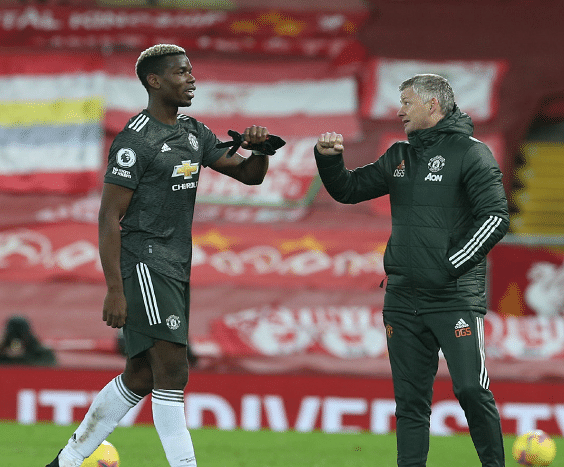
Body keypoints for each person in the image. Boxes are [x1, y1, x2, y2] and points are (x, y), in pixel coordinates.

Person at [46, 44, 281, 467]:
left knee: (140, 376)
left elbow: (248, 175)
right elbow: (108, 217)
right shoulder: (135, 140)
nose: (191, 78)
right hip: (145, 262)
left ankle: (65, 462)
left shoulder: (193, 132)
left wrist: (260, 149)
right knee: (173, 371)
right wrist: (114, 290)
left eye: (191, 70)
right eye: (181, 72)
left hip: (174, 265)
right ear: (155, 81)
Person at [314, 74, 508, 467]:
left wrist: (449, 266)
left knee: (471, 390)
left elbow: (495, 218)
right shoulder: (398, 156)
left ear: (433, 105)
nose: (399, 110)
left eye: (406, 102)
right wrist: (329, 160)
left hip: (454, 297)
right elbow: (349, 190)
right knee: (410, 403)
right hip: (402, 299)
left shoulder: (472, 153)